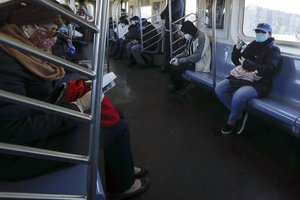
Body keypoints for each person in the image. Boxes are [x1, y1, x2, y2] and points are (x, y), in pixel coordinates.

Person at [0, 1, 149, 199]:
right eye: (51, 30)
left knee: (115, 115)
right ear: (29, 26)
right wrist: (76, 107)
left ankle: (125, 169)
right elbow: (16, 130)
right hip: (16, 155)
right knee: (114, 128)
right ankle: (123, 186)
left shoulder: (22, 48)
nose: (53, 38)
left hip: (37, 128)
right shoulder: (6, 61)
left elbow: (38, 93)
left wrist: (73, 89)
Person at [215, 23, 282, 134]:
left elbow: (271, 68)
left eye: (262, 32)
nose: (259, 34)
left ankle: (231, 122)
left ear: (269, 34)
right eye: (257, 32)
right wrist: (237, 48)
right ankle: (238, 114)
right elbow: (238, 61)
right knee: (220, 88)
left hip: (261, 82)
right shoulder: (253, 45)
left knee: (238, 95)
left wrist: (249, 65)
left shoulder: (274, 50)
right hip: (244, 77)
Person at [168, 20, 211, 92]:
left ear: (190, 31)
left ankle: (179, 87)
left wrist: (179, 61)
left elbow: (197, 56)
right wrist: (176, 57)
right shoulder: (191, 37)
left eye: (185, 33)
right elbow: (186, 52)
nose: (185, 35)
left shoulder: (202, 37)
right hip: (191, 61)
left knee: (176, 68)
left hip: (200, 63)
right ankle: (181, 84)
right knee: (171, 66)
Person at [160, 0, 185, 64]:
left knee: (174, 49)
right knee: (167, 48)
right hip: (168, 29)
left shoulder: (178, 2)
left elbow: (167, 13)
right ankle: (167, 66)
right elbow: (162, 15)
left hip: (174, 29)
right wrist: (166, 15)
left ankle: (173, 67)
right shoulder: (171, 3)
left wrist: (166, 15)